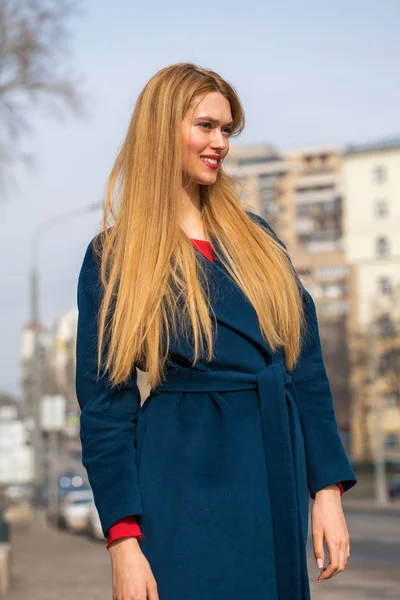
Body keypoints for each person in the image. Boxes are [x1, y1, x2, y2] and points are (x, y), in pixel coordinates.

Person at [75, 62, 357, 600]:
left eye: (226, 130)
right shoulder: (115, 255)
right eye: (206, 126)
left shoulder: (257, 238)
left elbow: (306, 367)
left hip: (272, 467)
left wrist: (327, 491)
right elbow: (105, 407)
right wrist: (124, 543)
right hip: (180, 481)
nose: (220, 142)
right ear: (162, 129)